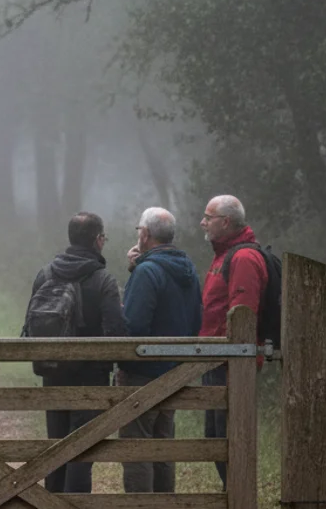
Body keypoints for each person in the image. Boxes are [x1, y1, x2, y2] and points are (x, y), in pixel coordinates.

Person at [27, 211, 128, 494]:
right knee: (81, 455)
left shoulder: (45, 274)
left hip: (51, 372)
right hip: (91, 379)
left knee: (55, 451)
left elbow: (30, 326)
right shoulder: (103, 279)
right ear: (98, 240)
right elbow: (116, 334)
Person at [118, 207, 203, 493]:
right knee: (163, 446)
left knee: (138, 448)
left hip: (143, 373)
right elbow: (196, 320)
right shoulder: (187, 268)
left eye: (138, 230)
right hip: (174, 371)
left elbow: (134, 325)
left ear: (145, 234)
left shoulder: (148, 271)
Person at [198, 194, 268, 486]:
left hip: (229, 366)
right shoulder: (224, 256)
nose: (202, 222)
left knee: (228, 441)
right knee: (215, 439)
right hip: (216, 362)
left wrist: (234, 363)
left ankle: (239, 498)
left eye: (208, 217)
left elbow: (243, 319)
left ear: (225, 222)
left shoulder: (243, 259)